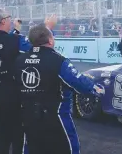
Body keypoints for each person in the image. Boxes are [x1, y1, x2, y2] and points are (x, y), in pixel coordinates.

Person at [13, 24, 105, 154]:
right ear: (50, 40)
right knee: (70, 148)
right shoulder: (58, 60)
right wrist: (97, 89)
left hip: (27, 115)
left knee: (30, 148)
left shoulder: (19, 60)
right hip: (55, 117)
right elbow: (78, 81)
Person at [0, 8, 57, 154]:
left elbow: (1, 42)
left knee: (2, 134)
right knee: (19, 135)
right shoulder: (15, 40)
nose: (11, 20)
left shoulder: (11, 38)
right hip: (13, 95)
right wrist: (47, 29)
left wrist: (17, 31)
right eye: (9, 18)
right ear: (3, 21)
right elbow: (39, 46)